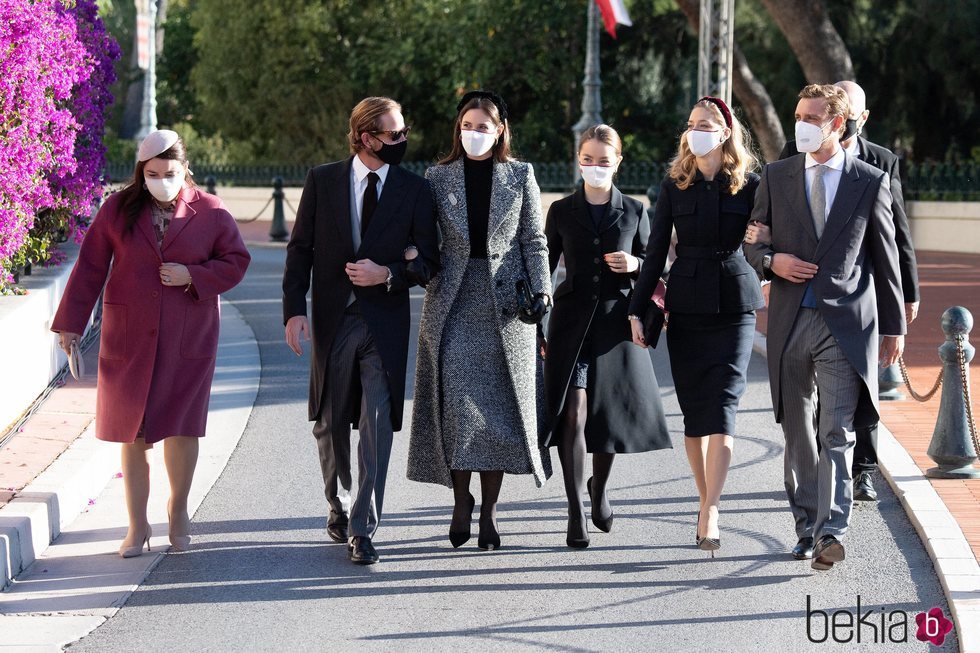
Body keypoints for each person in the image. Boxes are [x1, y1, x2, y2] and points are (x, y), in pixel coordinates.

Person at [51, 130, 250, 557]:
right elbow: (89, 268)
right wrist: (70, 325)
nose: (162, 180)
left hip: (187, 337)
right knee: (132, 434)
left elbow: (236, 262)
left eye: (170, 173)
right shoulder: (117, 210)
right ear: (141, 173)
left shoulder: (212, 212)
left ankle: (178, 511)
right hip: (129, 338)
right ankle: (137, 525)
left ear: (185, 169)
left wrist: (193, 275)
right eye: (153, 173)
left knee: (181, 426)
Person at [744, 84, 906, 570]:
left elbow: (886, 258)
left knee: (837, 431)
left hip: (846, 324)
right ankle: (805, 528)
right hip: (790, 322)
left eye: (812, 117)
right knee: (798, 433)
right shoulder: (775, 175)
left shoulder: (870, 181)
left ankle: (831, 530)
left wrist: (894, 327)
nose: (802, 125)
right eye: (798, 115)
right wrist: (773, 263)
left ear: (838, 124)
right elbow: (752, 242)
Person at [282, 97, 439, 566]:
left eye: (405, 132)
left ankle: (363, 527)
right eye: (394, 135)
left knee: (374, 423)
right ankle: (339, 502)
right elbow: (300, 250)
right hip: (333, 321)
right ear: (367, 137)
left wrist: (389, 273)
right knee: (330, 424)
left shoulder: (414, 189)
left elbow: (430, 265)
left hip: (384, 325)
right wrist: (294, 310)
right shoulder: (323, 180)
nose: (403, 141)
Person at [407, 90, 552, 551]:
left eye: (483, 127)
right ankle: (460, 500)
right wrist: (412, 255)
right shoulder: (436, 177)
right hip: (451, 300)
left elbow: (534, 239)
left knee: (499, 416)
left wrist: (543, 288)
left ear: (500, 130)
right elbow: (424, 238)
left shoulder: (521, 175)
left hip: (506, 307)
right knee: (457, 412)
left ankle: (489, 510)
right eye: (467, 126)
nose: (474, 134)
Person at [628, 97, 764, 557]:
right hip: (685, 304)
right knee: (694, 411)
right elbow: (654, 253)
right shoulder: (673, 185)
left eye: (704, 124)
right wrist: (636, 306)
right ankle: (703, 497)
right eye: (690, 124)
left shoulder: (752, 185)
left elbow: (774, 236)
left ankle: (711, 507)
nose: (695, 132)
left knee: (724, 403)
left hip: (734, 304)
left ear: (726, 132)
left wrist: (764, 240)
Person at [544, 124, 671, 549]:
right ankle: (575, 509)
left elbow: (657, 267)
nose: (594, 167)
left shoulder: (635, 210)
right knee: (574, 415)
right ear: (578, 161)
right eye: (587, 159)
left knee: (609, 417)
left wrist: (635, 264)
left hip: (618, 324)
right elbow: (544, 267)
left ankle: (599, 490)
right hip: (570, 324)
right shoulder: (561, 210)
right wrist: (534, 321)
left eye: (603, 160)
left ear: (617, 162)